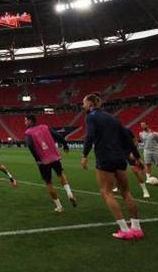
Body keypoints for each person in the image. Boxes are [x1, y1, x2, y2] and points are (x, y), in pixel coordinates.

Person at [80, 93, 145, 240]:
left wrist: (84, 155)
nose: (82, 106)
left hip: (105, 158)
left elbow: (90, 136)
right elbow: (127, 139)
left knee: (106, 192)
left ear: (90, 104)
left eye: (84, 103)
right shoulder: (113, 118)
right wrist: (137, 157)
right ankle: (136, 228)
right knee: (126, 192)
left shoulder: (91, 116)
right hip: (120, 158)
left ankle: (124, 230)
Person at [24, 115, 77, 212]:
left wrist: (37, 159)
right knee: (61, 174)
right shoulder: (45, 127)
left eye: (26, 120)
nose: (25, 122)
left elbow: (31, 146)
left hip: (43, 160)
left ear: (30, 121)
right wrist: (65, 144)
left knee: (48, 183)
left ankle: (59, 207)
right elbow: (58, 136)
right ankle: (69, 194)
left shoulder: (28, 133)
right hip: (54, 157)